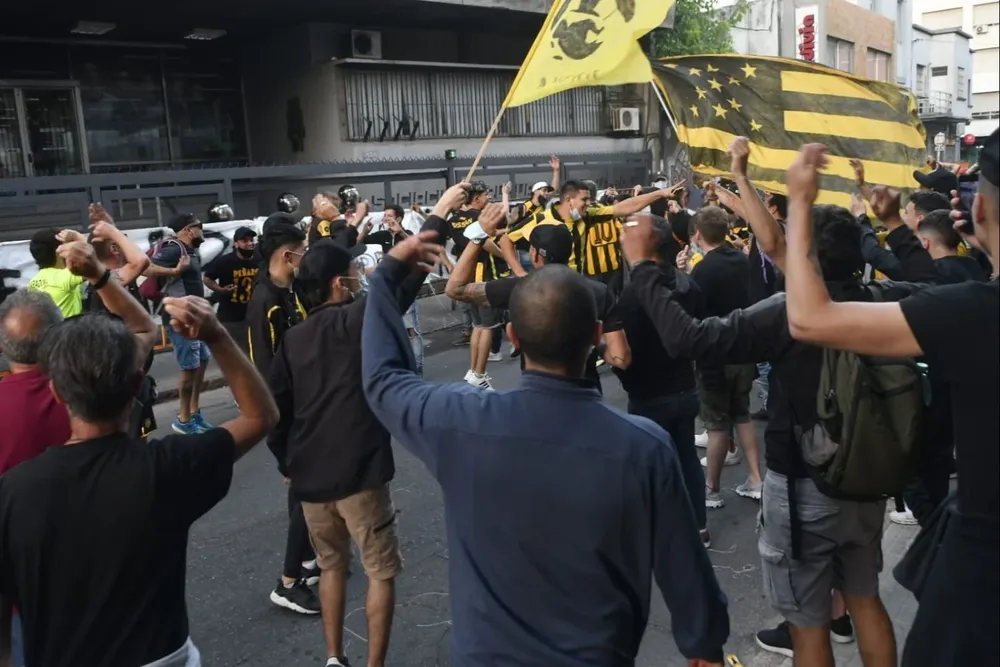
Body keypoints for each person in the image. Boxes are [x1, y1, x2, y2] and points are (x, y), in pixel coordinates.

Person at [361, 183, 730, 667]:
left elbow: (384, 378)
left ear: (512, 336)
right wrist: (702, 645)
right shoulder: (643, 448)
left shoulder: (460, 421)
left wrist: (388, 276)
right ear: (595, 336)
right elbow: (689, 582)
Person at [620, 139, 902, 667]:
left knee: (808, 622)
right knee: (864, 598)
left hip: (803, 488)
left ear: (805, 252)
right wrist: (740, 178)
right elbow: (776, 246)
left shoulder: (789, 312)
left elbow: (690, 339)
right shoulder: (882, 300)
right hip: (868, 479)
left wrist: (642, 270)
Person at [0, 234, 279, 666]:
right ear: (136, 388)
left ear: (56, 391)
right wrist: (218, 337)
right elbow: (261, 416)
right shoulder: (167, 468)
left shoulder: (13, 493)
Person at [781, 132, 999, 667]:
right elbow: (930, 278)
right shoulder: (967, 299)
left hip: (981, 578)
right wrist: (898, 228)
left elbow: (811, 318)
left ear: (984, 206)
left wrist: (800, 204)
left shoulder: (977, 312)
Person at [269, 238, 424, 667]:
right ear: (341, 282)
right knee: (379, 571)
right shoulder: (360, 319)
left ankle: (334, 657)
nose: (359, 277)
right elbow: (398, 292)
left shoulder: (293, 339)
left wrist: (286, 462)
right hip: (361, 472)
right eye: (354, 271)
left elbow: (275, 411)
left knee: (330, 566)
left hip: (310, 476)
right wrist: (428, 246)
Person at [444, 202, 630, 390]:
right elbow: (620, 358)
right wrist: (587, 341)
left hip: (535, 396)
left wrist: (477, 238)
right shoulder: (599, 291)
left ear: (534, 254)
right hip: (587, 395)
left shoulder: (520, 288)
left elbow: (455, 289)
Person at [612, 214, 710, 547]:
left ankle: (656, 532)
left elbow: (624, 354)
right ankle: (698, 526)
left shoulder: (632, 296)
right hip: (684, 388)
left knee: (648, 465)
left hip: (649, 395)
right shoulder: (687, 284)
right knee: (686, 459)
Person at [244, 216, 321, 615]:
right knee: (306, 496)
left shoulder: (291, 292)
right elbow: (266, 376)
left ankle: (307, 563)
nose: (306, 256)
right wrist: (281, 441)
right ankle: (288, 581)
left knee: (307, 495)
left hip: (310, 413)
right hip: (291, 421)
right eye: (303, 250)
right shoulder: (266, 303)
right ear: (287, 254)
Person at [684, 207, 764, 507]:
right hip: (744, 352)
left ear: (698, 234)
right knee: (742, 415)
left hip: (715, 357)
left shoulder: (703, 270)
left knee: (716, 424)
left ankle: (711, 489)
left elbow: (691, 311)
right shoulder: (742, 261)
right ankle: (757, 479)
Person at [498, 180, 681, 279]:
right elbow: (505, 239)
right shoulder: (540, 219)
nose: (589, 204)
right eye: (584, 200)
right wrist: (520, 272)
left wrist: (659, 193)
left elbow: (625, 207)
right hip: (549, 284)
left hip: (579, 282)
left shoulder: (589, 215)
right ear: (569, 200)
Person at [145, 212, 212, 435]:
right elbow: (145, 267)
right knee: (189, 367)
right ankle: (183, 420)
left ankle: (194, 413)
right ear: (188, 230)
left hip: (195, 317)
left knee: (201, 361)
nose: (201, 229)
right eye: (198, 226)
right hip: (180, 319)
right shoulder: (174, 248)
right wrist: (174, 271)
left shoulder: (192, 250)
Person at [358, 205, 425, 374]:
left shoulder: (408, 234)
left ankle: (417, 370)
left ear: (400, 218)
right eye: (385, 216)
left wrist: (400, 232)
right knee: (387, 330)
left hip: (405, 288)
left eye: (390, 216)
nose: (386, 219)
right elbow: (357, 244)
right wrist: (364, 231)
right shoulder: (381, 235)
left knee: (411, 331)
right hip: (385, 290)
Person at [203, 226, 260, 350]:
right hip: (231, 317)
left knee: (255, 353)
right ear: (236, 244)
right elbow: (207, 278)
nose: (250, 244)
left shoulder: (259, 259)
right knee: (236, 353)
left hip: (254, 314)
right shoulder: (225, 261)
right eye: (245, 241)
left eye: (251, 240)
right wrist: (220, 290)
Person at [26, 229, 84, 318]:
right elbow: (96, 263)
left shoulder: (32, 284)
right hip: (69, 331)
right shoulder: (66, 276)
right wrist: (80, 238)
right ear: (59, 251)